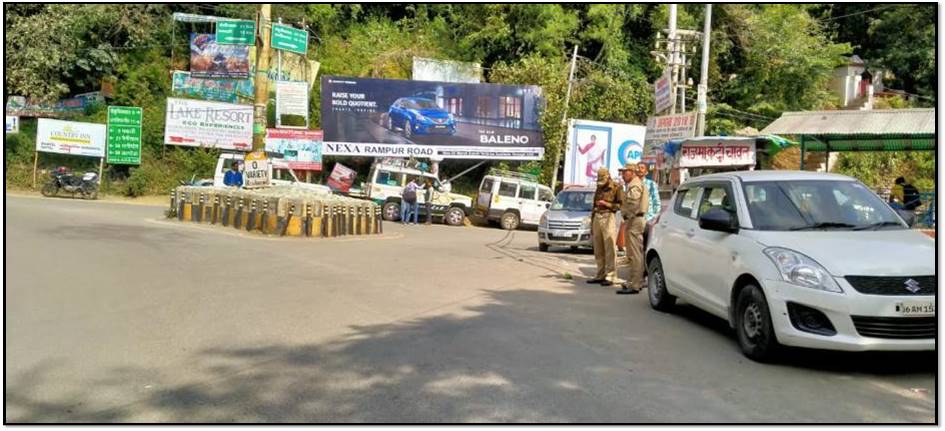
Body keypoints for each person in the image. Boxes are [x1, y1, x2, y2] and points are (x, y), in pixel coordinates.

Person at [617, 162, 649, 295]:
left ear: (632, 172)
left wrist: (625, 213)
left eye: (625, 172)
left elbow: (633, 204)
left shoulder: (634, 185)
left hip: (635, 219)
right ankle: (633, 281)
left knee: (635, 254)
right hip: (634, 219)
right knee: (632, 253)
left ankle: (635, 284)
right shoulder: (632, 184)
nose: (623, 174)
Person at [587, 167, 621, 287]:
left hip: (608, 216)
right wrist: (592, 222)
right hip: (597, 216)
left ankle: (611, 275)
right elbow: (593, 205)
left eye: (603, 180)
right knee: (598, 247)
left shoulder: (616, 187)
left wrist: (606, 204)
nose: (601, 183)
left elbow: (620, 206)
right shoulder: (599, 187)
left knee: (609, 246)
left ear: (608, 177)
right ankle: (600, 273)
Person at [638, 163, 661, 248]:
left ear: (646, 172)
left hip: (647, 219)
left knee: (646, 246)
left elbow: (656, 202)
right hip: (635, 220)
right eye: (638, 167)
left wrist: (653, 218)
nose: (639, 169)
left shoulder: (651, 184)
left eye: (642, 168)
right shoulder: (632, 184)